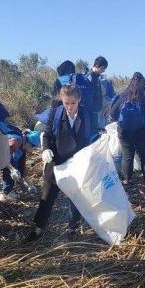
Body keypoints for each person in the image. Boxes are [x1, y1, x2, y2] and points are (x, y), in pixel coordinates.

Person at [24, 84, 98, 243]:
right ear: (62, 101)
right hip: (56, 161)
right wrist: (45, 150)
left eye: (73, 103)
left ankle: (73, 228)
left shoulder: (87, 115)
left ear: (79, 100)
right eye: (66, 103)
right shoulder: (55, 114)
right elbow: (47, 135)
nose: (69, 107)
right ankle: (37, 229)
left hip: (78, 162)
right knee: (47, 196)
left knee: (77, 197)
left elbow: (93, 136)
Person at [110, 72, 145, 191]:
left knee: (127, 156)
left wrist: (120, 121)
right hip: (141, 131)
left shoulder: (123, 96)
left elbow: (113, 113)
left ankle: (127, 180)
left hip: (124, 131)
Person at [0, 130, 40, 202]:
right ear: (30, 144)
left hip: (7, 160)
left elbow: (22, 167)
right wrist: (12, 169)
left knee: (15, 169)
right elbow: (2, 155)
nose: (33, 151)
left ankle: (5, 190)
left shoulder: (22, 149)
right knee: (9, 173)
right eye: (34, 148)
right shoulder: (15, 141)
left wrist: (30, 185)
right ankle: (5, 194)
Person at [87, 56, 108, 130]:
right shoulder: (90, 77)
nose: (103, 71)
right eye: (103, 68)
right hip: (92, 111)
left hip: (97, 110)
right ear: (98, 66)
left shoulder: (96, 78)